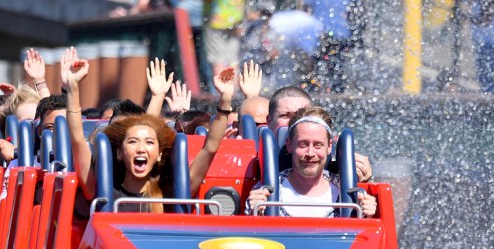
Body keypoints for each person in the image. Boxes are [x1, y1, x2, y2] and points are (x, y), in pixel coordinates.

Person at [61, 47, 235, 213]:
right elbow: (77, 138)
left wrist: (225, 100)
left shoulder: (171, 191)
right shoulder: (104, 189)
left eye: (149, 142)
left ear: (159, 153)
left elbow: (210, 148)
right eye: (132, 141)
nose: (141, 148)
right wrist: (73, 88)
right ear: (120, 152)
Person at [246, 106, 376, 218]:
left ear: (329, 147)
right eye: (303, 144)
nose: (310, 153)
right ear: (289, 145)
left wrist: (369, 217)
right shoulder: (265, 192)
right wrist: (252, 213)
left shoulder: (352, 195)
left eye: (318, 145)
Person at [267, 86, 372, 182]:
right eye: (286, 116)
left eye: (301, 115)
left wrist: (360, 177)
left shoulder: (334, 165)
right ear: (269, 121)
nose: (293, 122)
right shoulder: (257, 163)